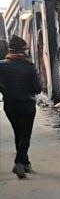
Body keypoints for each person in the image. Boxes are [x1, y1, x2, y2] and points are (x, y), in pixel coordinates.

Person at [0, 35, 42, 179]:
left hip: (10, 105)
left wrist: (7, 91)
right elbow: (38, 88)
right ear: (23, 51)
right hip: (27, 105)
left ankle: (25, 163)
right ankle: (19, 162)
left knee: (19, 133)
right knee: (25, 135)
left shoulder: (1, 65)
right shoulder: (29, 67)